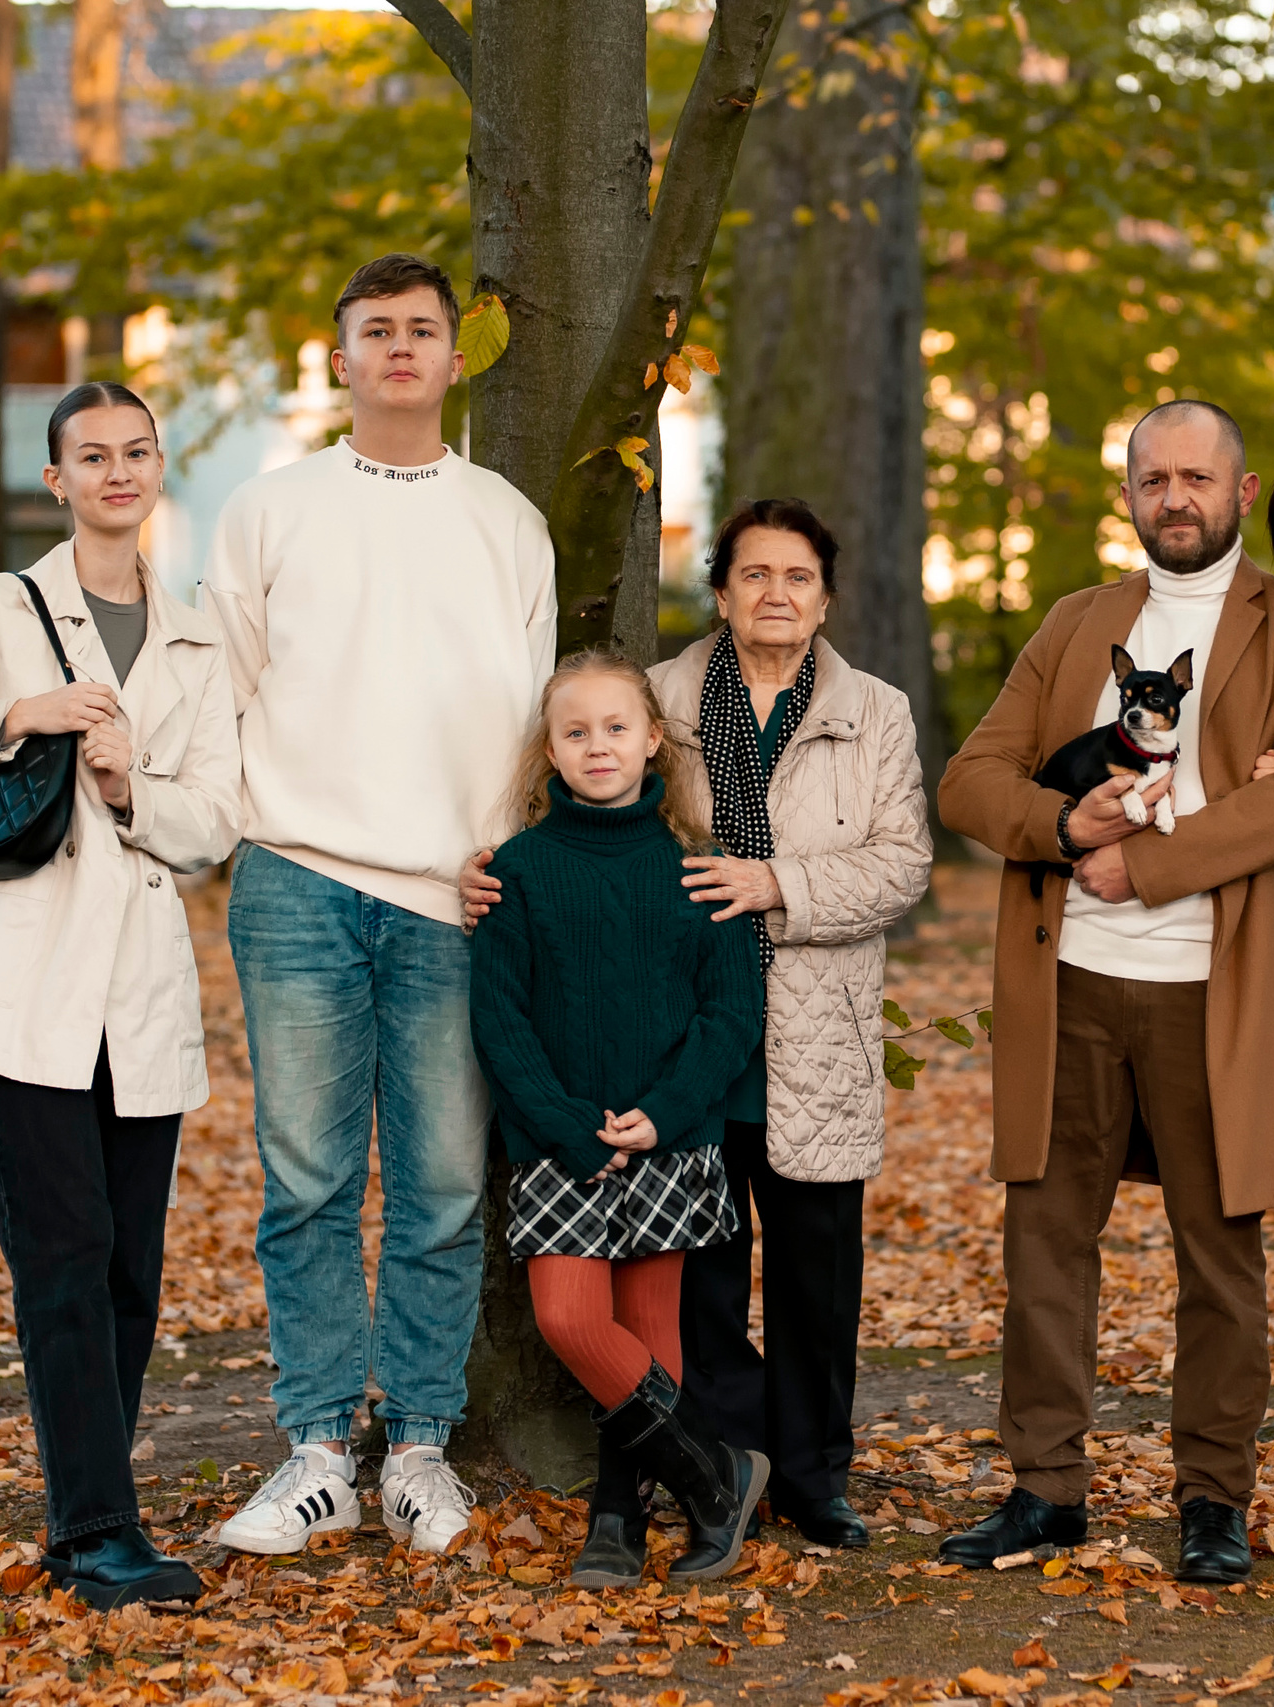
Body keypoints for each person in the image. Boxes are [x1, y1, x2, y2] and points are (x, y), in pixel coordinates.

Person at [936, 399, 1274, 1583]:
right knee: (1045, 1244)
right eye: (1153, 480)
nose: (1174, 498)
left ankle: (1212, 1498)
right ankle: (1044, 1489)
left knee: (1218, 1256)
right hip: (1066, 980)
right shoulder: (1079, 623)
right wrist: (1064, 826)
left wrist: (1151, 864)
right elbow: (970, 780)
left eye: (1196, 477)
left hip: (1214, 990)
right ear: (1128, 496)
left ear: (1240, 492)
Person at [462, 497, 933, 1550]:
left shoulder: (875, 711)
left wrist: (775, 883)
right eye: (754, 574)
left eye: (798, 576)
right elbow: (581, 830)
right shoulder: (661, 698)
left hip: (809, 1035)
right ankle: (722, 1464)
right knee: (700, 1288)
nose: (776, 593)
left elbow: (902, 864)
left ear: (826, 598)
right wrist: (481, 874)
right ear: (720, 592)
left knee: (815, 1277)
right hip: (678, 1049)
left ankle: (813, 1478)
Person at [202, 253, 556, 1557]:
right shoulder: (269, 509)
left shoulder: (506, 520)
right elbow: (224, 687)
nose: (400, 346)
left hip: (457, 898)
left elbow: (531, 714)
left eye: (421, 329)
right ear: (341, 357)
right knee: (304, 1179)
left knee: (444, 1187)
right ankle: (315, 1452)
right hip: (297, 875)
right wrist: (239, 835)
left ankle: (415, 1448)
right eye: (375, 329)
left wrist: (506, 854)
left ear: (456, 359)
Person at [0, 382, 240, 1609]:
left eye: (136, 451)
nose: (116, 472)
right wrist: (13, 716)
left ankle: (89, 1514)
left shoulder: (196, 638)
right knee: (64, 1255)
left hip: (141, 991)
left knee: (130, 1268)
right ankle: (98, 1530)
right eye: (92, 456)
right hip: (25, 986)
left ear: (158, 469)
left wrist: (133, 789)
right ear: (57, 480)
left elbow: (217, 822)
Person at [470, 651, 769, 1588]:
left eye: (615, 727)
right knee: (571, 1319)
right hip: (560, 1143)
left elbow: (731, 1013)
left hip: (670, 1137)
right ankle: (716, 1473)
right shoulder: (518, 872)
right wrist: (568, 1125)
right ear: (550, 751)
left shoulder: (696, 871)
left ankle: (619, 1511)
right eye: (576, 731)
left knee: (648, 1329)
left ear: (651, 741)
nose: (597, 745)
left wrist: (664, 1112)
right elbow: (501, 1021)